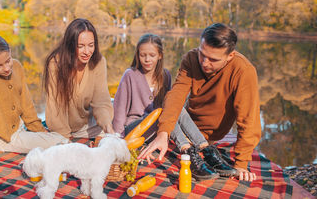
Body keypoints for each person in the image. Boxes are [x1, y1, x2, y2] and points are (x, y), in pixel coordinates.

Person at [139, 23, 261, 182]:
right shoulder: (191, 58)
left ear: (230, 56)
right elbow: (176, 95)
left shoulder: (243, 70)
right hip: (184, 126)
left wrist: (241, 163)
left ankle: (205, 150)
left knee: (168, 107)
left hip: (209, 135)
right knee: (168, 100)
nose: (204, 62)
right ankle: (187, 149)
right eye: (202, 54)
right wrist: (163, 133)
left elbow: (248, 119)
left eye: (213, 59)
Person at [0, 35, 68, 166]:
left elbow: (26, 103)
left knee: (59, 136)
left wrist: (37, 128)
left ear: (10, 51)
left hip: (20, 128)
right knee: (60, 142)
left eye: (8, 60)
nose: (6, 68)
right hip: (2, 137)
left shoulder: (17, 66)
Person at [43, 18, 114, 139]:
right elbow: (55, 107)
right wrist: (64, 139)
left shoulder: (99, 62)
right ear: (70, 46)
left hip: (88, 126)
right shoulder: (55, 63)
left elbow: (101, 101)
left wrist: (108, 127)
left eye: (91, 45)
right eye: (80, 46)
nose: (87, 52)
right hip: (60, 128)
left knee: (114, 131)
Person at [112, 34, 172, 139]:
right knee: (165, 115)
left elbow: (168, 105)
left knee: (175, 110)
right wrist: (118, 138)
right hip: (134, 128)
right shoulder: (130, 75)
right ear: (137, 55)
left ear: (160, 55)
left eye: (152, 55)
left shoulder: (165, 75)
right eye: (142, 55)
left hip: (156, 129)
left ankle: (198, 145)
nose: (147, 59)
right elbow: (119, 110)